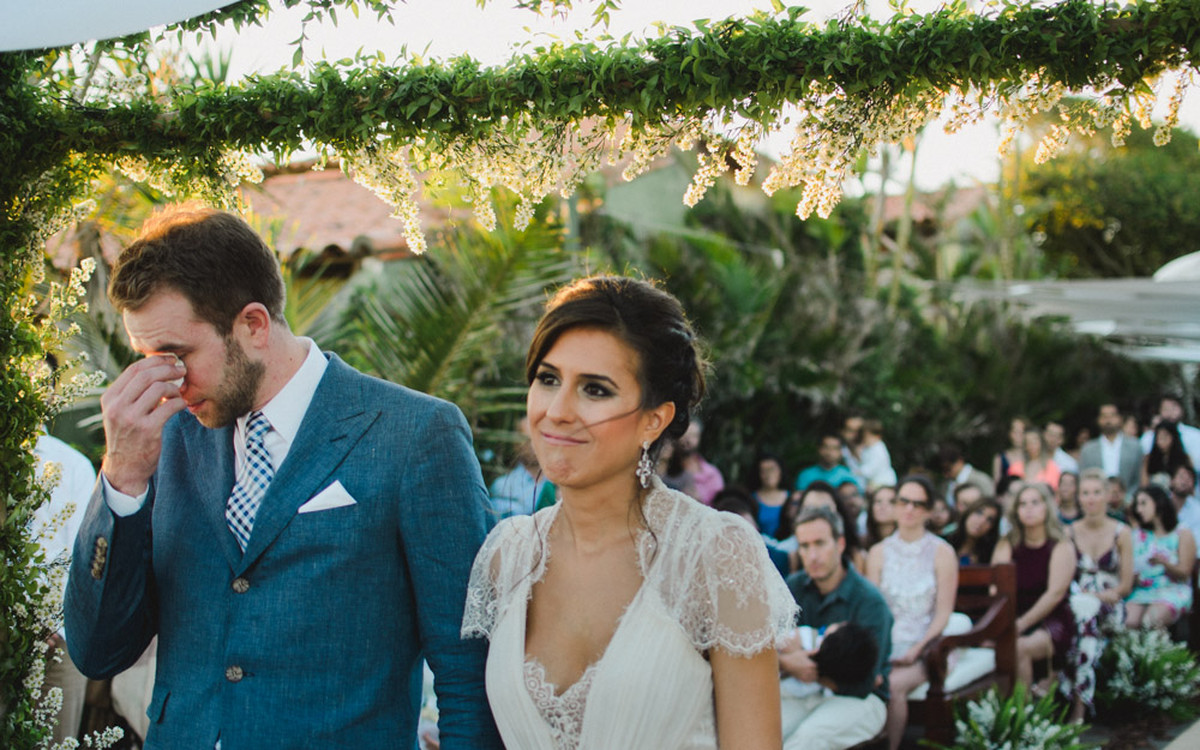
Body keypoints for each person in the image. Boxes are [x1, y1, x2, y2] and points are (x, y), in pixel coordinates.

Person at [64, 205, 501, 749]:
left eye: (175, 355)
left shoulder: (416, 435)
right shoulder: (165, 439)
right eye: (147, 358)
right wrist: (122, 478)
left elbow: (469, 671)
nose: (165, 383)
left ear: (252, 324)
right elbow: (97, 651)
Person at [461, 276, 796, 749]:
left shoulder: (714, 554)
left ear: (653, 419)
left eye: (595, 390)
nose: (557, 410)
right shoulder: (506, 556)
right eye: (548, 378)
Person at [779, 506, 893, 750]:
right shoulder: (793, 587)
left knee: (808, 741)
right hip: (801, 690)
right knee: (762, 733)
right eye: (805, 545)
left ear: (840, 543)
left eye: (820, 543)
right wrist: (787, 663)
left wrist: (809, 669)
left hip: (859, 699)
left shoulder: (869, 601)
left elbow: (868, 682)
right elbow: (770, 642)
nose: (812, 555)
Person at [865, 476, 958, 750]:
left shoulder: (942, 552)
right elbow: (874, 612)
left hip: (927, 645)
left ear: (928, 511)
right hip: (885, 642)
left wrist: (918, 648)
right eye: (903, 501)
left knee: (892, 686)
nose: (909, 509)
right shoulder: (878, 553)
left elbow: (943, 613)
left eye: (918, 504)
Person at [32, 429, 96, 745]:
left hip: (57, 643)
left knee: (55, 739)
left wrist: (51, 624)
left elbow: (82, 559)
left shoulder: (71, 465)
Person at [1060, 468, 1133, 723]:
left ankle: (1076, 705)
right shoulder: (1068, 532)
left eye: (1096, 492)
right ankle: (1079, 701)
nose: (1090, 498)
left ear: (1106, 495)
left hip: (1110, 604)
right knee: (1083, 617)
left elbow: (1125, 585)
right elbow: (1065, 576)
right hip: (1077, 602)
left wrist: (1101, 597)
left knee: (1087, 614)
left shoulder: (1121, 532)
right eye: (1085, 493)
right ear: (1078, 497)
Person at [991, 482, 1077, 691]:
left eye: (1035, 502)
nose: (1028, 508)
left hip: (1052, 618)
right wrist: (1004, 624)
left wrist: (1020, 625)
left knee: (1020, 647)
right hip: (1013, 615)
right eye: (1023, 504)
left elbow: (1054, 594)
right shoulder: (1007, 543)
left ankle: (1027, 715)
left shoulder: (1061, 545)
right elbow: (996, 589)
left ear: (1047, 507)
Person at [1126, 484, 1196, 630]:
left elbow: (1185, 572)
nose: (1139, 509)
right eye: (1137, 504)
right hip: (1142, 590)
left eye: (1144, 503)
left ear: (1158, 503)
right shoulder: (1137, 534)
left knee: (1150, 620)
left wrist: (1164, 563)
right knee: (1128, 620)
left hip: (1172, 589)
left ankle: (1159, 652)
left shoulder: (1182, 533)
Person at [488, 416, 556, 519]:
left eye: (539, 437)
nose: (533, 445)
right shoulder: (504, 487)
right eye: (527, 440)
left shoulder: (561, 483)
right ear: (516, 444)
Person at [1080, 403, 1142, 501]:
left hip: (1128, 502)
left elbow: (1138, 478)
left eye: (1112, 416)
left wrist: (1129, 498)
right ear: (1098, 420)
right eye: (1104, 416)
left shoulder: (1135, 446)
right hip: (1097, 502)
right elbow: (1083, 478)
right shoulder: (1088, 449)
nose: (1108, 420)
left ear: (1120, 418)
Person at [1139, 394, 1200, 461]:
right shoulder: (1148, 438)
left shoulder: (1195, 435)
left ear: (1181, 410)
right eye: (1166, 409)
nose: (1170, 413)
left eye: (1174, 408)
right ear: (1159, 412)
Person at [947, 496, 1002, 566]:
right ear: (969, 513)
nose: (982, 521)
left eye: (989, 519)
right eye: (979, 513)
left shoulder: (991, 553)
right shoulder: (944, 542)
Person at [796, 434, 861, 493]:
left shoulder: (848, 476)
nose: (829, 452)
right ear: (819, 449)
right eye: (826, 447)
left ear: (841, 452)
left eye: (834, 448)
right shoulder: (805, 475)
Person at [938, 443, 995, 507]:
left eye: (948, 469)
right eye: (943, 470)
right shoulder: (946, 485)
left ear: (959, 461)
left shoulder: (980, 480)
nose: (945, 475)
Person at [1141, 421, 1193, 488]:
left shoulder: (1185, 458)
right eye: (1159, 437)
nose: (1161, 441)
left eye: (1165, 437)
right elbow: (1144, 483)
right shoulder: (1148, 459)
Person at [751, 452, 791, 538]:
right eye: (764, 471)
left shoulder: (792, 498)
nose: (768, 475)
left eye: (772, 469)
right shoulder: (752, 499)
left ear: (780, 471)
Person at [856, 419, 898, 489]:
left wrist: (860, 472)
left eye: (867, 437)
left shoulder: (878, 448)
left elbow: (874, 466)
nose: (865, 439)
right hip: (876, 482)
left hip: (883, 482)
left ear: (877, 436)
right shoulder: (868, 449)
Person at [1168, 464, 1200, 552]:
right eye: (1181, 476)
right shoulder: (1160, 503)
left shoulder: (1197, 510)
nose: (1185, 481)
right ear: (1172, 480)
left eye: (1189, 478)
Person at [992, 417, 1030, 489]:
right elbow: (996, 486)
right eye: (1015, 432)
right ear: (1009, 433)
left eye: (1022, 432)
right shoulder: (1000, 458)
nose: (1019, 436)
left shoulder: (1033, 455)